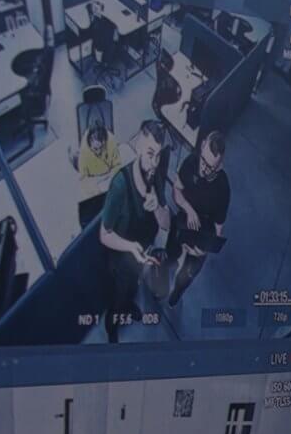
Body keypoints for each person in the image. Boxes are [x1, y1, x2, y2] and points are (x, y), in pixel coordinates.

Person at [97, 119, 176, 341]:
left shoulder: (156, 174)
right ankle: (112, 326)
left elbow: (166, 225)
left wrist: (159, 207)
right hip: (122, 256)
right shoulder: (120, 185)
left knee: (133, 287)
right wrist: (130, 247)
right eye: (150, 154)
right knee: (119, 293)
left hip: (143, 252)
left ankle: (128, 305)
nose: (154, 162)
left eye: (159, 155)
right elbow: (105, 234)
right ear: (139, 147)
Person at [166, 128, 233, 308]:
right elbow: (176, 191)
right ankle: (167, 271)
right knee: (170, 254)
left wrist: (203, 251)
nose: (204, 168)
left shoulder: (223, 189)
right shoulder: (191, 161)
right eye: (203, 160)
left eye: (210, 166)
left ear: (220, 164)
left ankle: (176, 295)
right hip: (183, 220)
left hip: (204, 234)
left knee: (187, 275)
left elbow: (219, 229)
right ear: (202, 146)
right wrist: (189, 210)